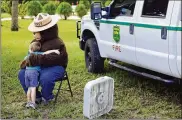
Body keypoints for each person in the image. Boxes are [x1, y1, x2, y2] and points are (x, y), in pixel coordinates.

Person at [18, 13, 68, 105]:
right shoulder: (35, 42)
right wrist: (27, 62)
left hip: (55, 66)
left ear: (47, 31)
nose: (34, 34)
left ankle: (47, 97)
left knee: (45, 77)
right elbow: (31, 55)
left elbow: (56, 59)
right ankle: (36, 96)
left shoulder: (58, 43)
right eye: (34, 32)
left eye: (37, 32)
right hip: (37, 67)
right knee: (22, 73)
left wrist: (35, 58)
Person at [20, 41, 60, 109]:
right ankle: (33, 103)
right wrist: (54, 50)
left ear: (30, 49)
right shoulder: (38, 55)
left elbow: (24, 60)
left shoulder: (28, 56)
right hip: (34, 73)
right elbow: (46, 53)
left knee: (29, 88)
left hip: (27, 73)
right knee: (33, 88)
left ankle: (28, 102)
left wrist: (30, 51)